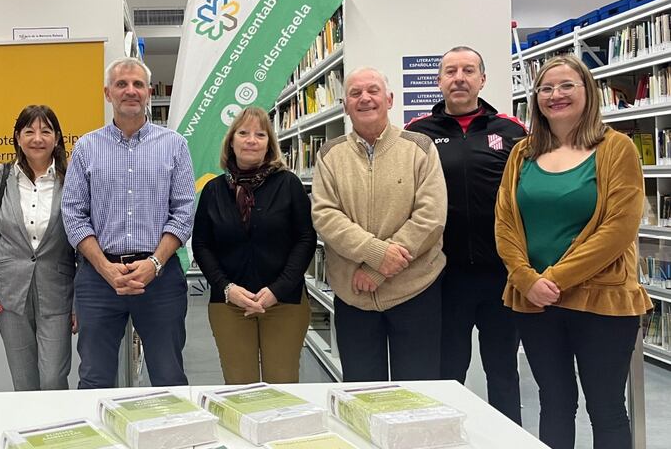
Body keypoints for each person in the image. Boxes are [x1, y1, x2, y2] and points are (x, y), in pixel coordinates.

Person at [495, 55, 651, 449]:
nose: (555, 95)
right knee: (554, 403)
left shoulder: (617, 149)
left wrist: (554, 278)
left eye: (566, 86)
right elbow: (505, 223)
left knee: (607, 408)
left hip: (602, 301)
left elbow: (619, 228)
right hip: (535, 303)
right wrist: (527, 279)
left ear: (588, 92)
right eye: (546, 88)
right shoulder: (522, 153)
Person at [405, 46, 526, 424]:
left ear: (482, 79)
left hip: (501, 276)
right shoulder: (416, 132)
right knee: (447, 372)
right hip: (444, 276)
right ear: (439, 81)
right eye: (450, 71)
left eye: (468, 70)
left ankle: (509, 439)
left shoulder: (511, 130)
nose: (459, 77)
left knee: (503, 370)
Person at [62, 57, 196, 388]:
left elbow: (183, 211)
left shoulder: (175, 145)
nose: (130, 91)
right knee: (94, 376)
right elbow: (74, 213)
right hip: (99, 278)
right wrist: (105, 268)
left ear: (149, 92)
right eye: (122, 84)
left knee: (168, 375)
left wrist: (154, 263)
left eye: (138, 84)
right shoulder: (86, 148)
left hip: (160, 277)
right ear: (108, 93)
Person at [311, 67, 447, 381]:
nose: (365, 99)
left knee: (418, 390)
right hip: (353, 294)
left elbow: (431, 216)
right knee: (361, 391)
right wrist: (376, 253)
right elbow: (325, 215)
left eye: (373, 90)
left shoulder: (420, 148)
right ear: (345, 106)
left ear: (389, 99)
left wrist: (376, 269)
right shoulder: (329, 154)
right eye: (355, 93)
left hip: (415, 291)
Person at [192, 106, 316, 384]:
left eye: (260, 134)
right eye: (244, 133)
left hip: (284, 302)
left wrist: (277, 289)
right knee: (239, 386)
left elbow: (306, 239)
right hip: (229, 304)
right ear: (231, 141)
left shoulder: (289, 184)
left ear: (269, 145)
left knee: (282, 385)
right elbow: (201, 244)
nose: (251, 139)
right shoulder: (214, 190)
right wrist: (226, 288)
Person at [0, 105, 76, 391]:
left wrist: (80, 300)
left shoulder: (71, 178)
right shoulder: (1, 175)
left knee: (54, 376)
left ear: (57, 138)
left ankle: (58, 432)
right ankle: (31, 434)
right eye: (29, 131)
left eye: (45, 131)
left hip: (57, 289)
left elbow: (82, 239)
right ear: (18, 137)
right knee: (23, 379)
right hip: (9, 292)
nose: (37, 138)